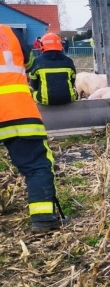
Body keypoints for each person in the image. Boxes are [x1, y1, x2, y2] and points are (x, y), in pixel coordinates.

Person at [0, 24, 70, 233]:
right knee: (36, 166)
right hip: (17, 111)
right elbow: (30, 62)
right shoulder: (9, 32)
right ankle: (44, 220)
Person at [29, 33, 78, 105]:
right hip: (69, 98)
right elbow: (72, 80)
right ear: (60, 45)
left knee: (31, 93)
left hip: (44, 100)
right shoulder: (68, 61)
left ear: (42, 45)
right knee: (76, 92)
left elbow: (34, 84)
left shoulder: (37, 61)